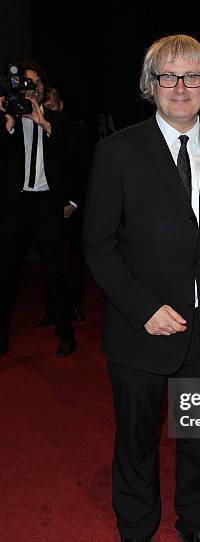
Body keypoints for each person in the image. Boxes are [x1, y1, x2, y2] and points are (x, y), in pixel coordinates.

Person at [84, 34, 200, 542]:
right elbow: (98, 246)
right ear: (151, 86)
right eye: (168, 77)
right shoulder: (118, 151)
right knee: (134, 439)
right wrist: (142, 307)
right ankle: (135, 530)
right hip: (138, 329)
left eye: (191, 77)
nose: (180, 87)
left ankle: (196, 522)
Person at [0, 60, 77, 357]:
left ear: (43, 90)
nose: (28, 89)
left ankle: (65, 333)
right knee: (6, 272)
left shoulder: (59, 121)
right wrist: (7, 122)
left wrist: (45, 124)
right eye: (24, 84)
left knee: (55, 272)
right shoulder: (9, 119)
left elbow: (74, 159)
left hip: (47, 204)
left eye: (34, 84)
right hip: (15, 206)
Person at [36, 85, 89, 324]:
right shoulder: (35, 130)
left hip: (75, 206)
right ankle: (53, 310)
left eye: (50, 107)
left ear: (60, 106)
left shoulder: (75, 130)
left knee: (75, 260)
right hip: (49, 206)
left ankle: (75, 305)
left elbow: (84, 169)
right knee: (50, 262)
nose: (47, 112)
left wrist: (74, 203)